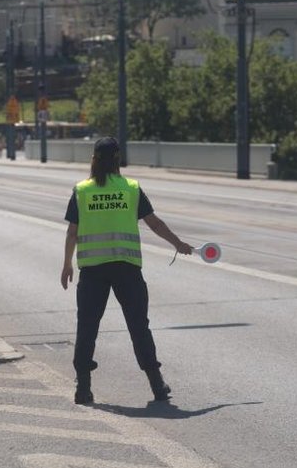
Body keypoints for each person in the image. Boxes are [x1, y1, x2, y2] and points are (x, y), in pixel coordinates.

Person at [61, 137, 193, 404]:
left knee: (87, 327)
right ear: (118, 159)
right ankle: (157, 385)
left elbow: (72, 232)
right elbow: (154, 224)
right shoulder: (130, 188)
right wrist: (177, 243)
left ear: (94, 159)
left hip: (93, 271)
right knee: (138, 326)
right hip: (127, 269)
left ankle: (83, 388)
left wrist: (66, 264)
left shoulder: (82, 190)